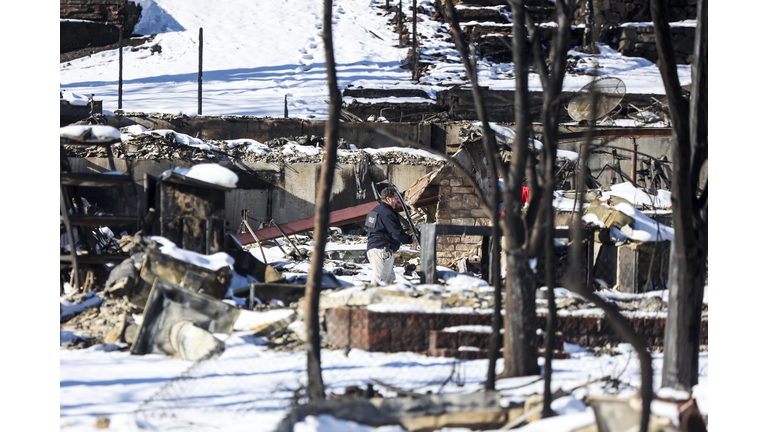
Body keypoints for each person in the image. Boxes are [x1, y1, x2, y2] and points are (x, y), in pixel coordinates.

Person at [365, 186, 413, 285]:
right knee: (379, 283)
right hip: (382, 251)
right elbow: (397, 234)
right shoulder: (388, 213)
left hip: (374, 249)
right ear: (388, 199)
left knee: (390, 282)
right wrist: (410, 240)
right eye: (396, 197)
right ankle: (371, 300)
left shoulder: (374, 211)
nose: (398, 200)